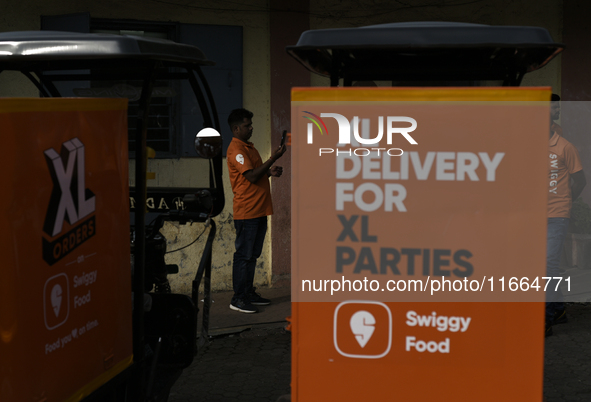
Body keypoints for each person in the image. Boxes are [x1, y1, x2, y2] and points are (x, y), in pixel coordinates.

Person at [226, 108, 286, 313]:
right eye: (246, 125)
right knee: (244, 255)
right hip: (247, 212)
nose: (251, 128)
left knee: (252, 255)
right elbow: (250, 176)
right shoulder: (237, 150)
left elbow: (254, 174)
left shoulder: (248, 147)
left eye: (250, 125)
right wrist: (274, 158)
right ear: (236, 129)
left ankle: (248, 293)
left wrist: (269, 172)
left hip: (259, 210)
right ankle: (238, 298)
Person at [545, 94, 586, 336]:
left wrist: (566, 200)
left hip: (557, 214)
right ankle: (558, 309)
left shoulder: (564, 146)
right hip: (533, 215)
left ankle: (545, 318)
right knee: (546, 266)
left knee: (548, 266)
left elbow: (580, 180)